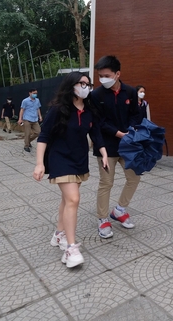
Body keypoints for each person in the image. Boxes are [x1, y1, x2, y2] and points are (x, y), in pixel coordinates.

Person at [33, 72, 109, 268]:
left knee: (67, 200)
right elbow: (44, 136)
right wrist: (40, 163)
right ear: (71, 85)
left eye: (88, 84)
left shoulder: (89, 110)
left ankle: (59, 235)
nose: (85, 87)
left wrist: (103, 152)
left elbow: (95, 133)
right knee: (74, 199)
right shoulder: (59, 109)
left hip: (79, 159)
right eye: (81, 83)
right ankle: (71, 248)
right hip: (60, 159)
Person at [91, 55, 142, 238]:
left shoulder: (129, 92)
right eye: (100, 76)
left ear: (117, 74)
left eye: (106, 75)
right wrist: (117, 133)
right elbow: (98, 121)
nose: (102, 79)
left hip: (128, 145)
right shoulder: (96, 95)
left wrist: (130, 131)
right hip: (106, 146)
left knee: (134, 177)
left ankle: (119, 209)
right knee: (106, 182)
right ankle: (102, 219)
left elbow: (136, 115)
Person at [18, 88, 42, 152]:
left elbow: (38, 108)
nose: (35, 94)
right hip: (27, 119)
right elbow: (22, 110)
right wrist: (20, 119)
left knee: (38, 132)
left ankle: (28, 141)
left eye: (36, 93)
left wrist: (40, 116)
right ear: (30, 93)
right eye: (34, 93)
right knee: (27, 133)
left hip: (35, 119)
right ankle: (26, 146)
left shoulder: (37, 100)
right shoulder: (25, 101)